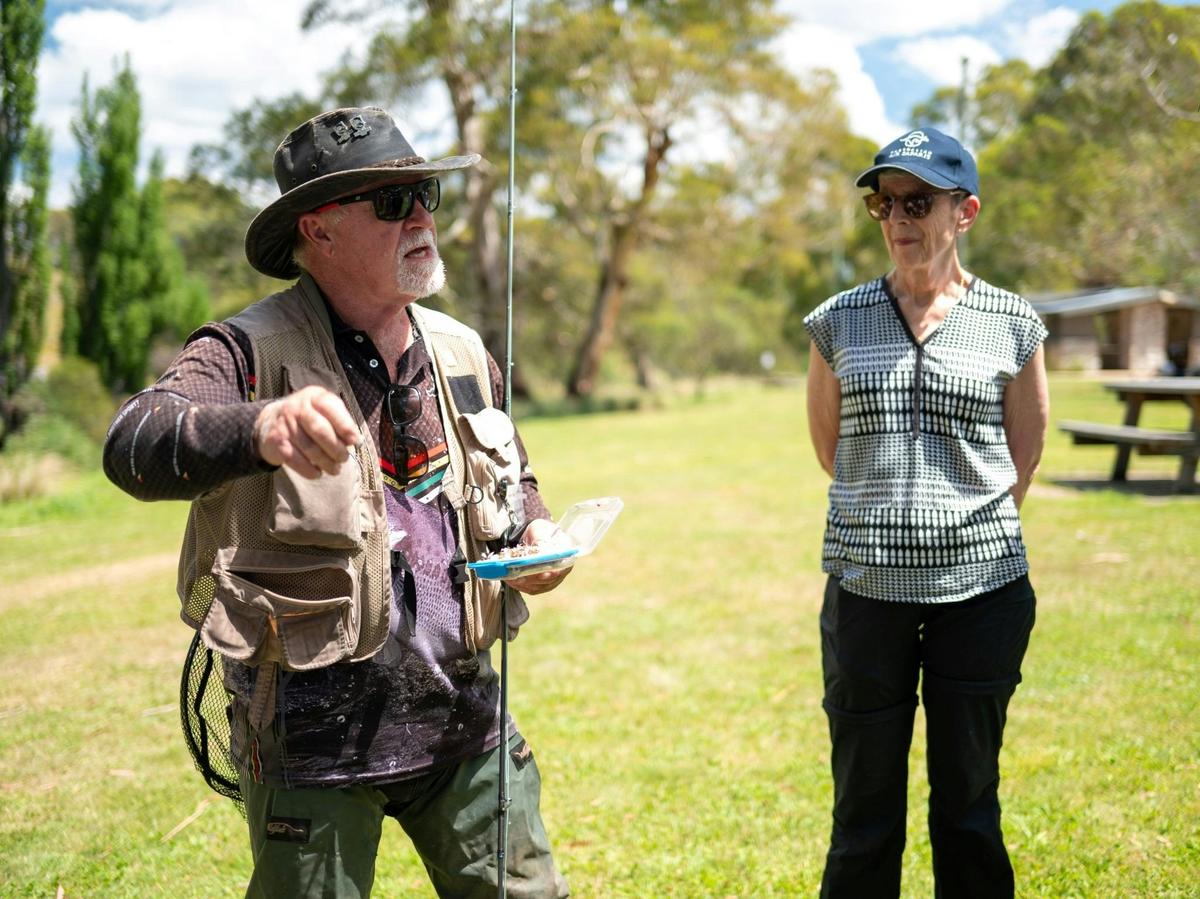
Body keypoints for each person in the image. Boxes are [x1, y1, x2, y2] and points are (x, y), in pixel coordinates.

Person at [103, 106, 571, 899]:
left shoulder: (461, 349)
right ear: (318, 231)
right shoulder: (242, 352)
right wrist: (259, 426)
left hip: (466, 713)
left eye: (425, 193)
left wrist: (536, 532)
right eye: (394, 203)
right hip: (309, 743)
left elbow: (510, 476)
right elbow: (133, 442)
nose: (423, 217)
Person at [803, 127, 1049, 899]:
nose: (897, 217)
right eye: (884, 202)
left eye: (918, 201)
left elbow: (1024, 456)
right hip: (864, 596)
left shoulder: (1014, 321)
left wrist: (954, 530)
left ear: (964, 211)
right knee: (863, 811)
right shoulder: (837, 320)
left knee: (969, 805)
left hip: (981, 596)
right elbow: (830, 448)